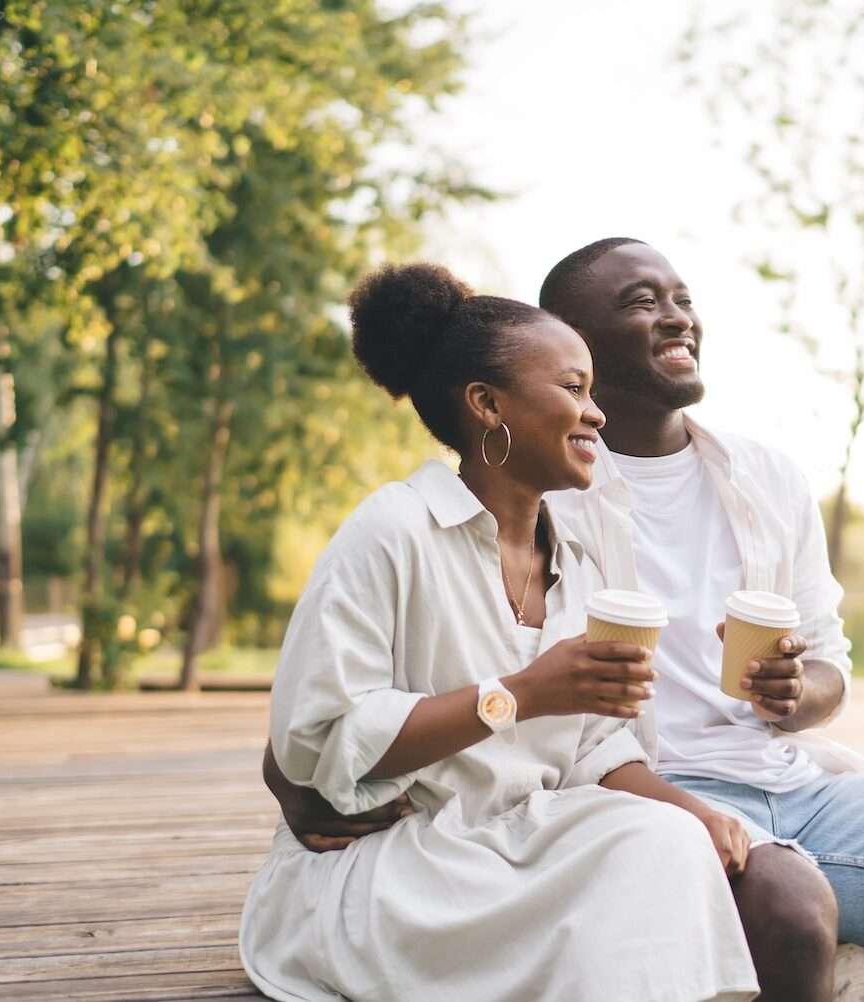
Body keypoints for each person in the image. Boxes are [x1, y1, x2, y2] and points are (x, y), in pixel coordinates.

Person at [269, 241, 864, 1002]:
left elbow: (627, 732)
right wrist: (310, 776)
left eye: (680, 296)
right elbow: (320, 730)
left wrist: (795, 691)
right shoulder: (515, 505)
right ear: (508, 392)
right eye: (639, 304)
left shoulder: (726, 488)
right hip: (572, 813)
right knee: (767, 901)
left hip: (768, 783)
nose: (675, 316)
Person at [239, 263, 761, 1002]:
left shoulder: (578, 562)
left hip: (520, 846)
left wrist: (697, 811)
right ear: (487, 404)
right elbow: (319, 741)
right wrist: (516, 696)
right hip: (402, 865)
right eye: (572, 389)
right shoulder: (394, 530)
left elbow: (596, 751)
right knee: (621, 910)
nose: (597, 413)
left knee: (664, 840)